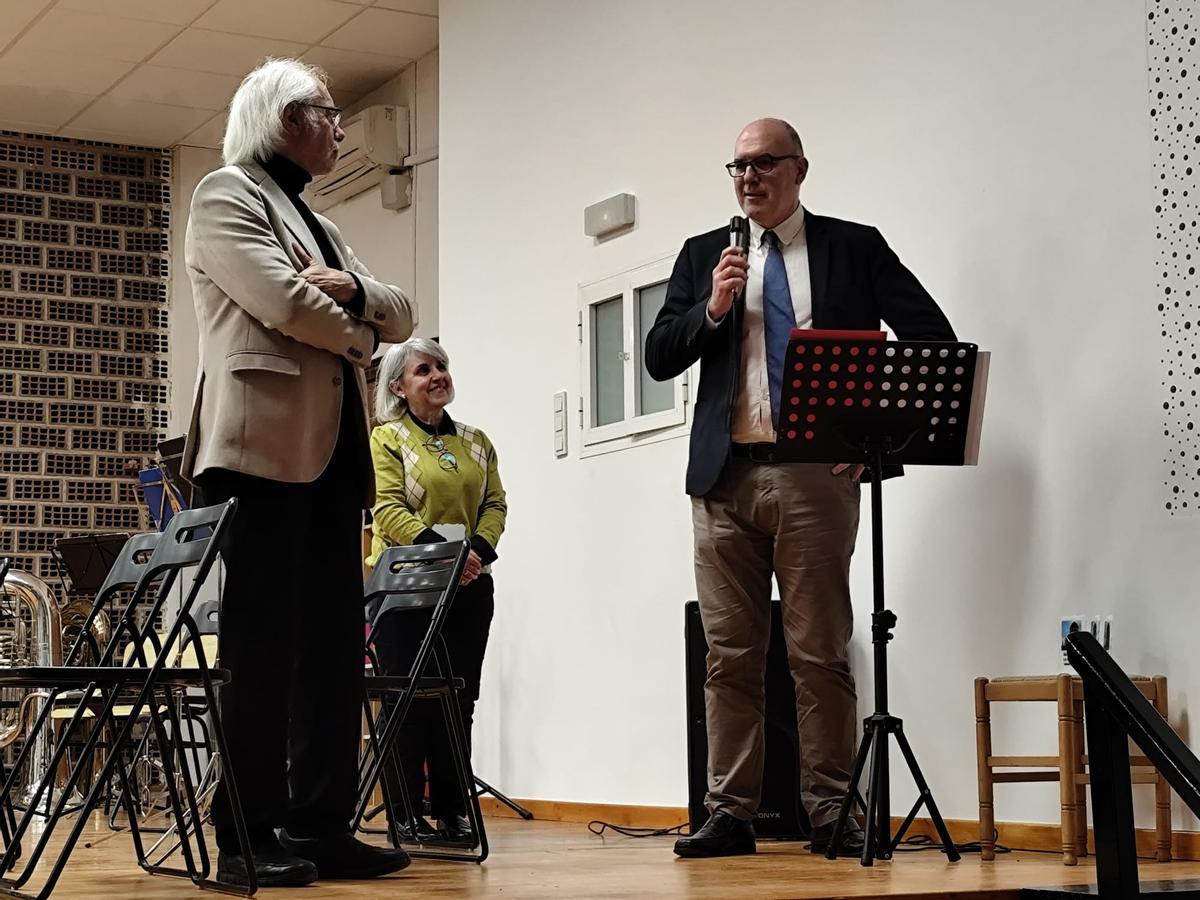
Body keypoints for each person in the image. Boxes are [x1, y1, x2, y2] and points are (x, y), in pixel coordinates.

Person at [646, 118, 956, 859]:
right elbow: (660, 356)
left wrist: (878, 447)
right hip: (724, 480)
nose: (748, 177)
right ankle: (729, 814)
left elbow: (932, 341)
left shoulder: (854, 247)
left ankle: (831, 810)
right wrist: (713, 308)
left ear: (799, 169)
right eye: (738, 166)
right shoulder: (703, 256)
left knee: (818, 652)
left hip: (816, 475)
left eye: (763, 164)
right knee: (730, 655)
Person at [181, 58, 416, 887]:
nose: (342, 126)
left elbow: (402, 307)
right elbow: (283, 303)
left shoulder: (318, 220)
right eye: (328, 111)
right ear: (286, 119)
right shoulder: (225, 194)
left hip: (335, 455)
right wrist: (363, 330)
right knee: (263, 650)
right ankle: (247, 834)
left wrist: (354, 289)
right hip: (258, 456)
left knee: (329, 654)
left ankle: (320, 826)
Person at [367, 338, 507, 844]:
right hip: (405, 589)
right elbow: (386, 509)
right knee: (409, 700)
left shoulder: (476, 440)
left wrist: (478, 554)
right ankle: (403, 812)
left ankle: (454, 809)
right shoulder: (386, 439)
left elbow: (495, 503)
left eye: (441, 366)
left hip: (469, 586)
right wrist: (443, 554)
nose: (437, 375)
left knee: (458, 699)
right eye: (423, 370)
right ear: (400, 388)